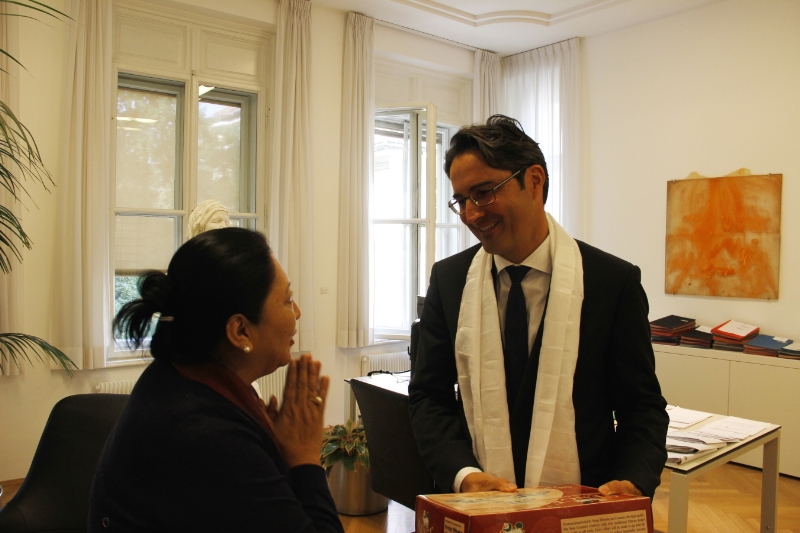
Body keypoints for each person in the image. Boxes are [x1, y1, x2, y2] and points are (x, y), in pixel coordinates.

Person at [408, 115, 668, 500]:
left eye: (483, 193)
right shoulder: (449, 281)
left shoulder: (612, 282)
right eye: (460, 201)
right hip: (477, 504)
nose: (471, 215)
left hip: (583, 504)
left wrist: (633, 479)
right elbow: (429, 396)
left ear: (533, 181)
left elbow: (642, 406)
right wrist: (463, 475)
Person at [89, 228, 343, 533]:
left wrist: (272, 447)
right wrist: (304, 458)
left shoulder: (173, 375)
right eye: (287, 300)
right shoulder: (205, 435)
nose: (297, 313)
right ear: (240, 331)